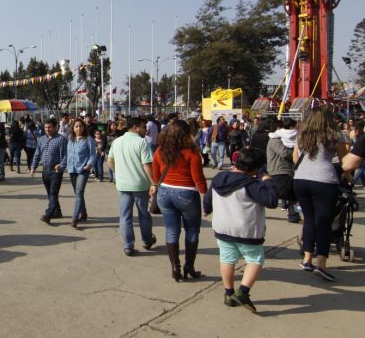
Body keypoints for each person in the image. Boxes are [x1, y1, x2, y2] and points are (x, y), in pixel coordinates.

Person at [203, 147, 279, 312]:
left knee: (227, 259)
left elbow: (208, 198)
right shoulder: (251, 184)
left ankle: (229, 293)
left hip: (223, 228)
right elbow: (272, 200)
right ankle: (243, 292)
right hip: (247, 231)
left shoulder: (219, 178)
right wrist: (267, 179)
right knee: (255, 260)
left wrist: (207, 208)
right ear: (255, 168)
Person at [152, 120, 208, 281]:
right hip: (186, 193)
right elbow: (198, 177)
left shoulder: (160, 150)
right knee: (192, 230)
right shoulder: (191, 152)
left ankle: (175, 267)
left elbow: (156, 175)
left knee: (171, 230)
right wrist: (206, 196)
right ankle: (189, 266)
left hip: (164, 193)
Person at [292, 108, 342, 282]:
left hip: (301, 179)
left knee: (309, 219)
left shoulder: (302, 135)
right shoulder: (334, 135)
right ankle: (321, 264)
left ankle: (307, 259)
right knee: (324, 222)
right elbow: (343, 160)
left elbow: (295, 158)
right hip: (324, 179)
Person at [107, 117, 156, 256]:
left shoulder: (117, 141)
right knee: (144, 214)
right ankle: (147, 240)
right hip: (140, 184)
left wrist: (117, 173)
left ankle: (128, 245)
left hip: (123, 185)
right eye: (143, 127)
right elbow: (146, 164)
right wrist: (153, 182)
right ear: (135, 127)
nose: (146, 130)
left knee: (125, 216)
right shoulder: (142, 142)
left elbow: (110, 161)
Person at [29, 119, 68, 224]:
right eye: (46, 127)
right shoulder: (42, 139)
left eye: (50, 127)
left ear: (55, 127)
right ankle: (57, 212)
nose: (47, 129)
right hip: (45, 171)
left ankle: (48, 214)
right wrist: (33, 167)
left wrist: (61, 165)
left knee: (53, 193)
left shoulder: (61, 139)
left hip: (56, 171)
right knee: (50, 194)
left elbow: (65, 155)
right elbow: (37, 154)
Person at [266, 118, 301, 223]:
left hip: (287, 170)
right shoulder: (275, 139)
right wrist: (296, 154)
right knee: (281, 193)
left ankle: (293, 215)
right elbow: (284, 153)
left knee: (292, 194)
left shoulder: (285, 140)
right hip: (278, 170)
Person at [66, 119, 96, 228]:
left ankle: (75, 218)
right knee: (78, 193)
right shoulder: (70, 139)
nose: (79, 128)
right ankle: (83, 213)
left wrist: (89, 164)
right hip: (72, 169)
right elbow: (68, 154)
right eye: (76, 126)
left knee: (79, 192)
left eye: (81, 126)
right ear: (73, 128)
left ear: (84, 128)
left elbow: (93, 154)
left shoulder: (88, 139)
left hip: (83, 170)